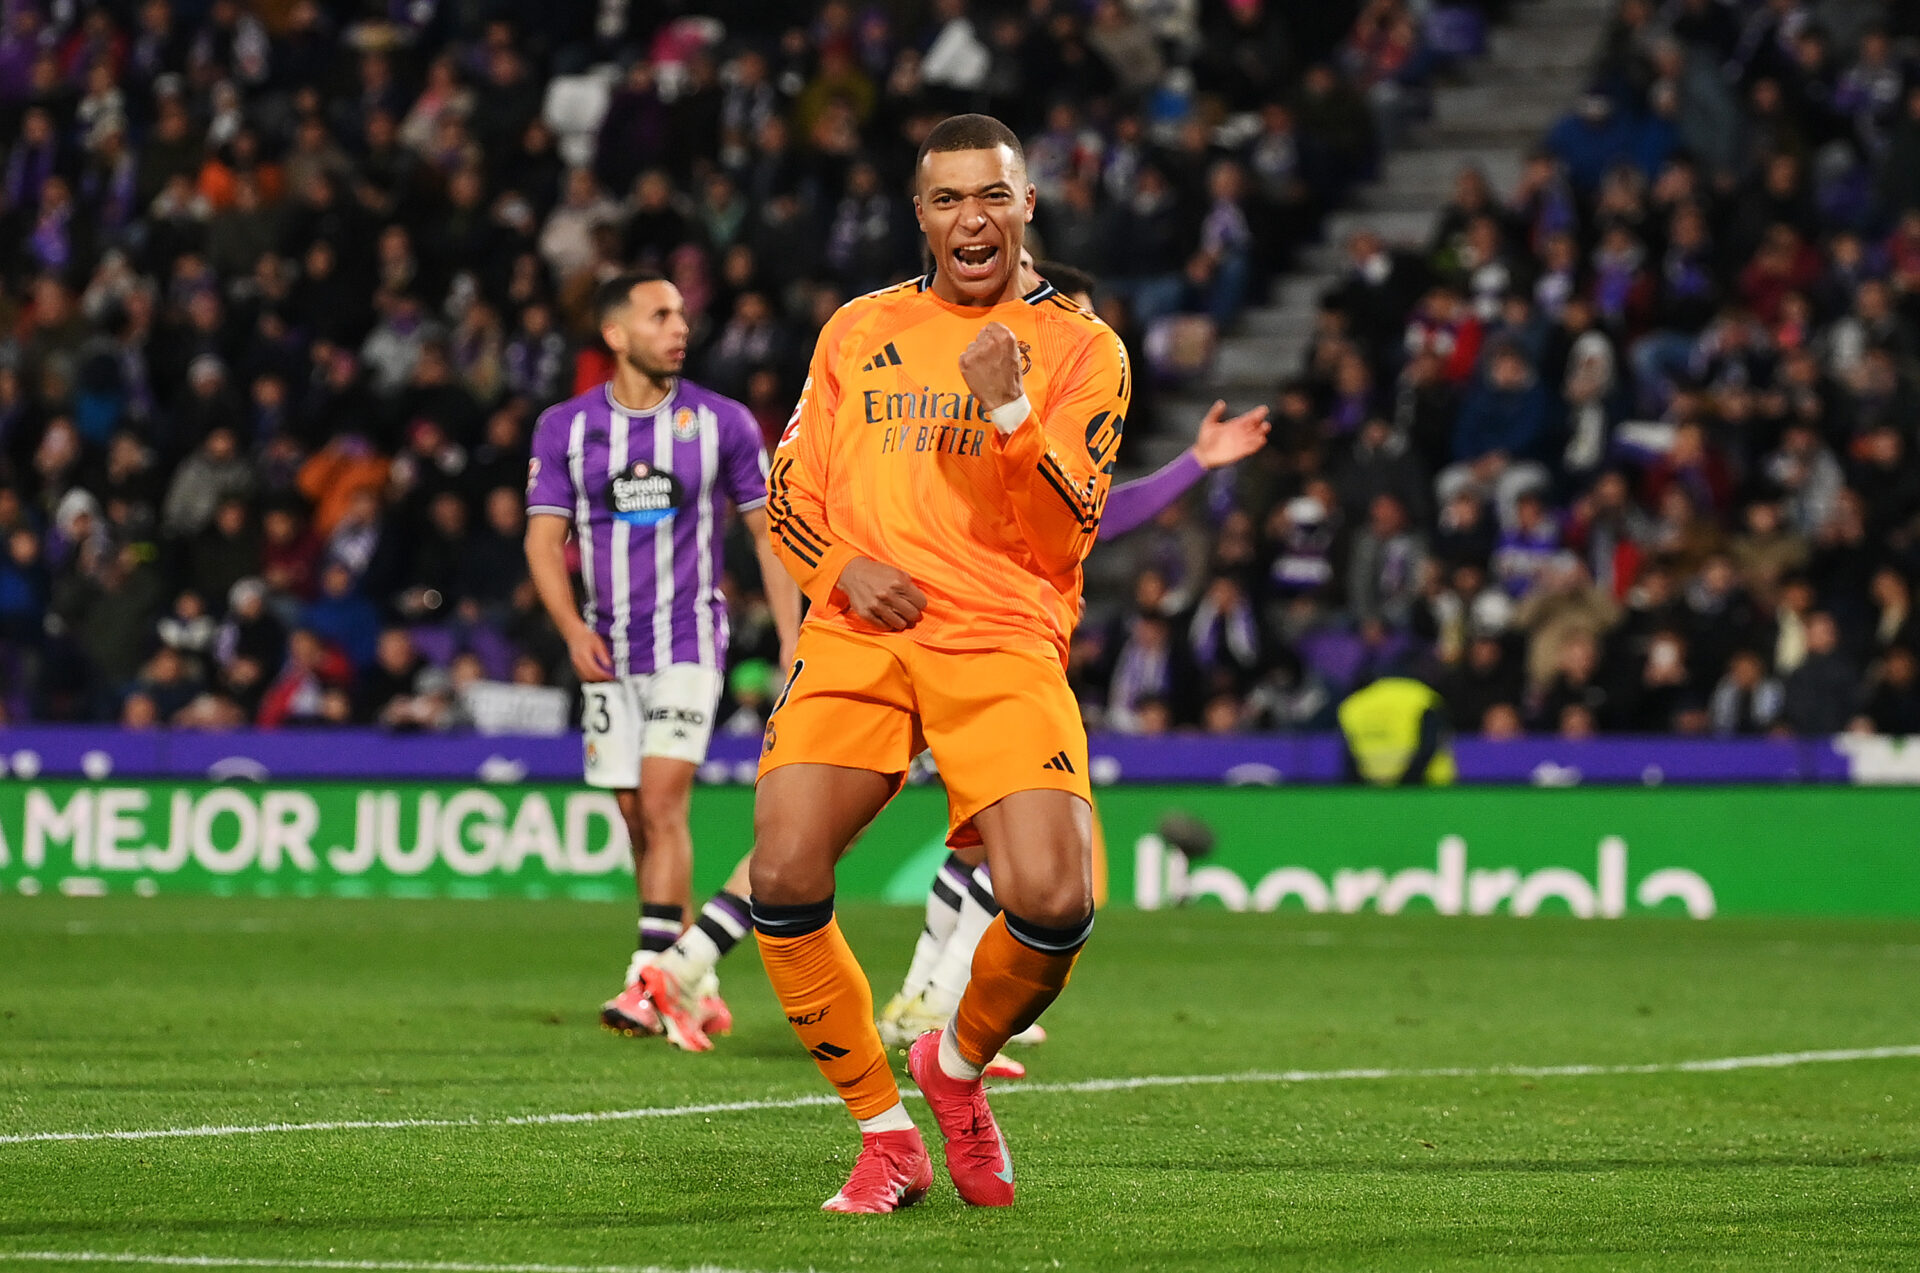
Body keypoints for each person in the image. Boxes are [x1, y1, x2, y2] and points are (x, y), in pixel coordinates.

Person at [633, 259, 1269, 1082]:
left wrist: (1192, 462)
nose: (1042, 334)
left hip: (978, 636)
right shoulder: (936, 377)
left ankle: (856, 984)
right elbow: (1068, 516)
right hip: (937, 634)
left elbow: (1085, 513)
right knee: (853, 840)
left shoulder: (1051, 392)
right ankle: (902, 998)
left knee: (939, 843)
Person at [748, 112, 1125, 1215]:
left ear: (1027, 208)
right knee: (782, 874)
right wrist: (841, 570)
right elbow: (788, 493)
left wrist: (1008, 405)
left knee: (1055, 901)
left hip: (1002, 634)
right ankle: (883, 1136)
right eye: (950, 198)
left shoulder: (1083, 348)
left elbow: (1070, 535)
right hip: (862, 631)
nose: (974, 217)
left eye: (994, 196)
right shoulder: (855, 328)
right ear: (921, 215)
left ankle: (953, 1069)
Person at [523, 271, 799, 1041]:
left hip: (689, 641)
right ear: (616, 334)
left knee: (664, 800)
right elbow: (544, 542)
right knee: (635, 816)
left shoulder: (724, 422)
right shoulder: (566, 429)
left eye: (682, 313)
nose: (680, 327)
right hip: (608, 648)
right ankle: (695, 975)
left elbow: (768, 533)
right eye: (660, 315)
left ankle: (649, 979)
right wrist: (572, 628)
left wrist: (790, 635)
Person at [1337, 673, 1456, 785]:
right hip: (1430, 786)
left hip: (1373, 786)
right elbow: (1429, 745)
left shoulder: (1352, 705)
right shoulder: (1421, 696)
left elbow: (1349, 757)